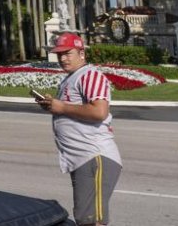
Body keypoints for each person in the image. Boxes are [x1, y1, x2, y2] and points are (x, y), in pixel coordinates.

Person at [35, 32, 123, 226]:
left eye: (68, 53)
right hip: (81, 159)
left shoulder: (90, 75)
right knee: (85, 219)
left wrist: (62, 107)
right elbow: (72, 109)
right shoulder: (72, 77)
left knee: (92, 221)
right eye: (60, 54)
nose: (63, 58)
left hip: (94, 156)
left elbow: (99, 111)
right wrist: (53, 106)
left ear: (81, 53)